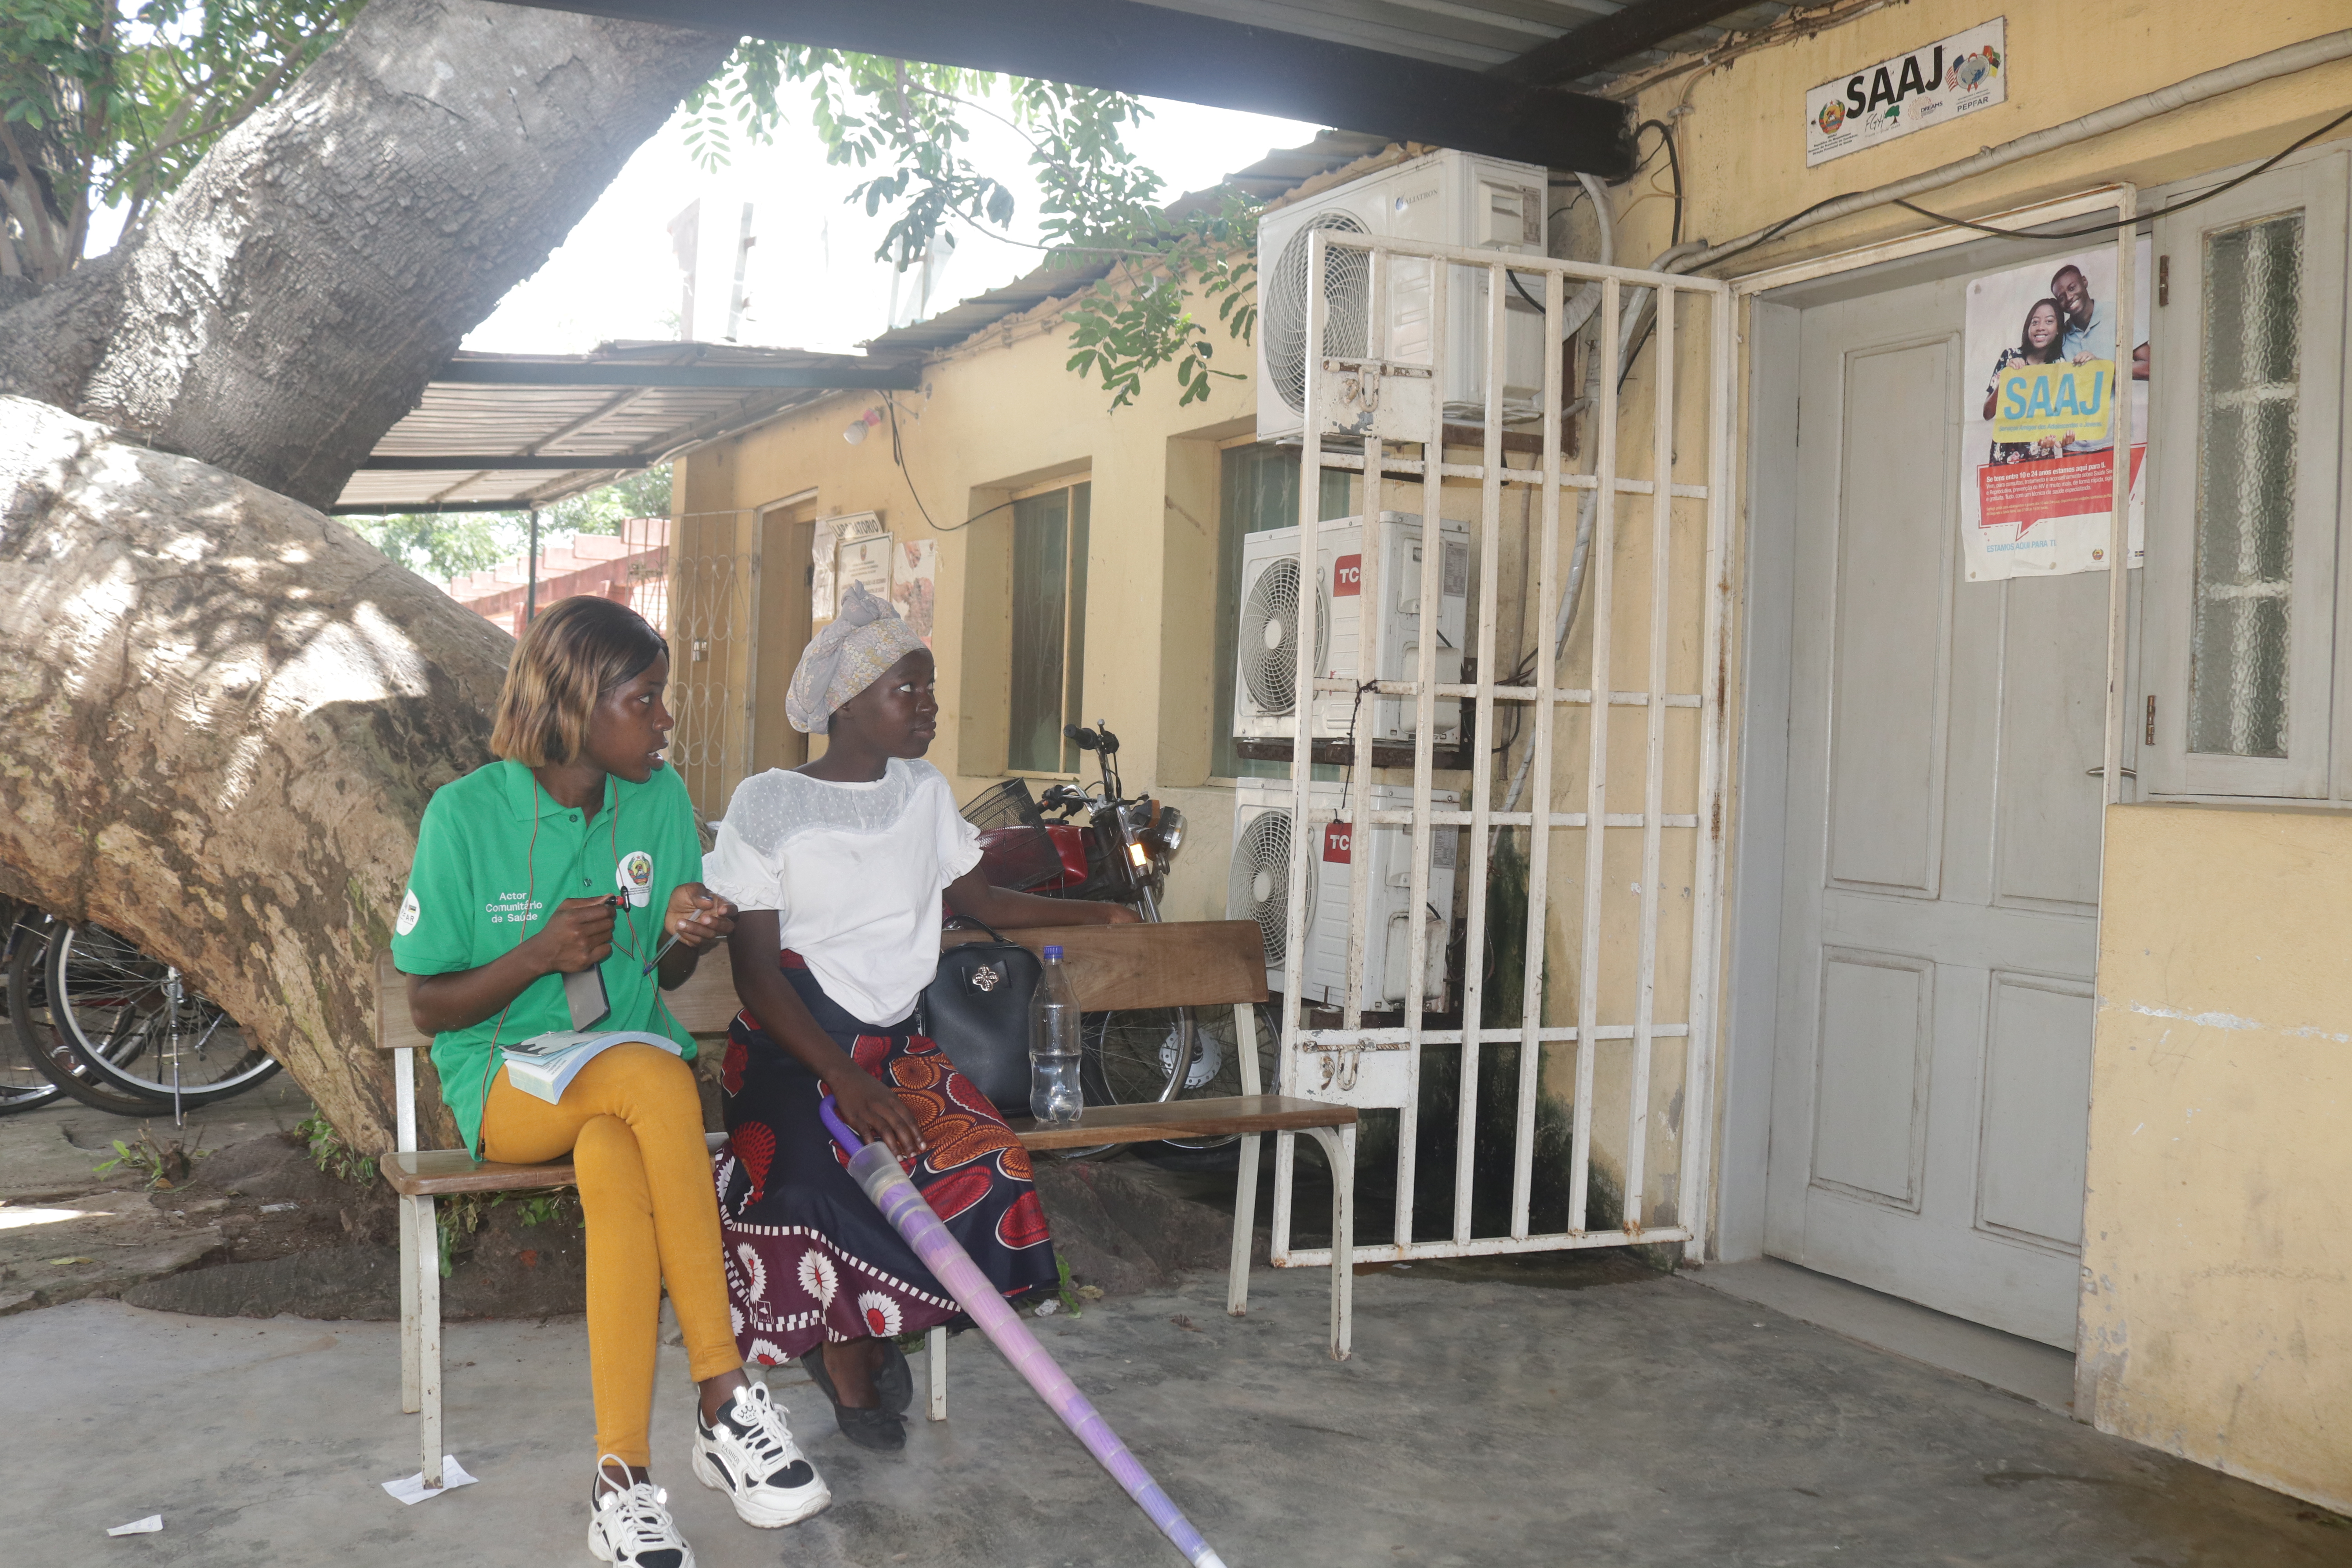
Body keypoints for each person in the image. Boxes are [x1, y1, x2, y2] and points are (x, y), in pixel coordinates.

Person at [392, 596, 829, 1568]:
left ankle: (622, 1479)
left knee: (620, 1151)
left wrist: (681, 934)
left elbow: (663, 978)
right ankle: (722, 1389)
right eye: (646, 698)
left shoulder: (659, 801)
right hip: (505, 1080)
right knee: (653, 1071)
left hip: (619, 1089)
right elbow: (428, 1007)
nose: (666, 719)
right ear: (577, 703)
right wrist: (537, 956)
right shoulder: (467, 815)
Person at [701, 583, 1138, 1452]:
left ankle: (862, 1327)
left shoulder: (923, 790)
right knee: (815, 1180)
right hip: (794, 1049)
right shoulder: (768, 802)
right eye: (909, 689)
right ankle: (851, 1358)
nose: (929, 705)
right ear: (846, 704)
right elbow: (754, 973)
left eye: (929, 687)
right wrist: (844, 1076)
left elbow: (975, 896)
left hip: (899, 1048)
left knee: (989, 1159)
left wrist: (1094, 915)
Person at [1981, 297, 2069, 465]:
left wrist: (2057, 437)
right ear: (2028, 328)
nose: (2041, 327)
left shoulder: (2060, 366)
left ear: (2058, 329)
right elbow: (1987, 413)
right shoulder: (2010, 356)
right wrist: (2008, 378)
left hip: (2041, 461)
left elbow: (2061, 419)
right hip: (2004, 460)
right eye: (2035, 322)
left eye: (2049, 321)